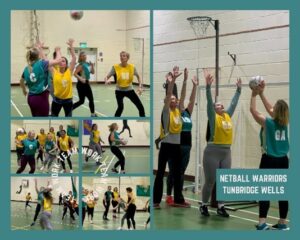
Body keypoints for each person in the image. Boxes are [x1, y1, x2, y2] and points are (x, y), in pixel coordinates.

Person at [199, 70, 241, 217]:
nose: (220, 106)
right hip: (212, 151)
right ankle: (203, 205)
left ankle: (221, 206)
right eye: (217, 105)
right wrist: (208, 87)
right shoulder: (213, 117)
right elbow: (210, 102)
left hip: (226, 152)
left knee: (224, 181)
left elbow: (233, 104)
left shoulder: (227, 116)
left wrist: (239, 90)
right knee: (210, 181)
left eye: (221, 105)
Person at [249, 80, 289, 230]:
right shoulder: (284, 122)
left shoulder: (268, 123)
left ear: (276, 111)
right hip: (284, 161)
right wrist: (262, 93)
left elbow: (252, 111)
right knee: (283, 192)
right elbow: (270, 108)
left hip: (270, 160)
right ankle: (283, 223)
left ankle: (262, 223)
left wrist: (253, 94)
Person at [153, 69, 189, 208]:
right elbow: (168, 94)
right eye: (171, 99)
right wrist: (172, 81)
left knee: (178, 173)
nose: (173, 100)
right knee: (161, 172)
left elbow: (183, 97)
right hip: (166, 146)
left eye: (175, 99)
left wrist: (185, 80)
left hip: (177, 147)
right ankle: (156, 201)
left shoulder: (179, 112)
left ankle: (178, 200)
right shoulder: (166, 111)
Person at [166, 69, 198, 205]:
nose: (179, 101)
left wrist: (195, 86)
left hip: (187, 146)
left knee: (181, 172)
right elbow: (184, 97)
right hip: (176, 145)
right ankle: (169, 195)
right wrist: (184, 80)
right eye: (178, 101)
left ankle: (178, 197)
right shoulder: (176, 112)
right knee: (174, 172)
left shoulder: (187, 113)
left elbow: (191, 99)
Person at [20, 41, 63, 116]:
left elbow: (21, 81)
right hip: (41, 98)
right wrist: (58, 50)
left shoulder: (26, 68)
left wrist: (24, 90)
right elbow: (59, 60)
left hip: (30, 98)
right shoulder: (42, 64)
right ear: (38, 56)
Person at [104, 51, 145, 117]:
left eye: (123, 56)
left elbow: (138, 76)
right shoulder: (115, 67)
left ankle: (143, 119)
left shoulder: (132, 67)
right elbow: (106, 77)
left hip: (129, 90)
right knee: (120, 107)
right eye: (121, 56)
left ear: (127, 58)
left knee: (140, 107)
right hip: (119, 91)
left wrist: (140, 87)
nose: (121, 57)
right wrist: (106, 81)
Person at [155, 68, 180, 150]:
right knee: (165, 129)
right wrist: (169, 81)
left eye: (171, 76)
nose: (171, 77)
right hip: (167, 110)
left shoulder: (174, 85)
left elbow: (177, 97)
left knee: (171, 128)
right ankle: (159, 140)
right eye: (170, 76)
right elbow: (168, 95)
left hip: (174, 109)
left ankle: (158, 140)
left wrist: (177, 104)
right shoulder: (168, 85)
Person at [51, 39, 76, 117]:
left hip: (68, 100)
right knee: (54, 116)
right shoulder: (54, 71)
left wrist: (71, 46)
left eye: (63, 61)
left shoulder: (69, 71)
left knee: (68, 117)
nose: (61, 62)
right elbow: (46, 61)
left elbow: (74, 58)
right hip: (56, 100)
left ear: (66, 64)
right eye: (60, 61)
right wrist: (40, 49)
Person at [72, 51, 97, 117]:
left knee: (90, 99)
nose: (84, 56)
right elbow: (74, 73)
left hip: (86, 83)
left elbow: (93, 72)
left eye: (85, 55)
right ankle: (69, 109)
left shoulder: (87, 64)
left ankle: (92, 114)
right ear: (80, 57)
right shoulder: (80, 65)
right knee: (81, 101)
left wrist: (92, 66)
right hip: (81, 85)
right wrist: (80, 79)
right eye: (82, 56)